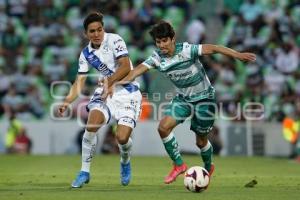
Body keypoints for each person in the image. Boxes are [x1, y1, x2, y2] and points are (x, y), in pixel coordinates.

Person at [104, 20, 256, 184]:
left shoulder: (186, 50)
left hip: (205, 99)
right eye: (158, 42)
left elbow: (214, 48)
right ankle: (179, 165)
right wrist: (115, 83)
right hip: (183, 99)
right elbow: (135, 72)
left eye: (164, 41)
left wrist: (238, 55)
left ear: (172, 39)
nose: (161, 45)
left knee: (201, 141)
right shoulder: (157, 58)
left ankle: (208, 166)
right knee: (163, 127)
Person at [57, 12, 142, 188]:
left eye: (99, 29)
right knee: (91, 125)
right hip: (106, 93)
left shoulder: (115, 40)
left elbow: (125, 66)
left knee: (122, 137)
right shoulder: (86, 54)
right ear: (85, 34)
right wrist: (67, 101)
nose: (97, 34)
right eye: (92, 31)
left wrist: (109, 82)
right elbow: (79, 82)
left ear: (103, 29)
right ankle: (84, 171)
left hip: (128, 92)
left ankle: (125, 161)